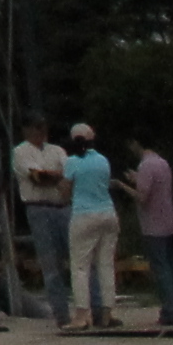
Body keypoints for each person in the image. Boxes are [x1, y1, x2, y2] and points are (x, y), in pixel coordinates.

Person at [11, 118, 73, 325]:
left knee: (78, 260)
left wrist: (53, 176)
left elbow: (70, 175)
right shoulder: (21, 152)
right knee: (51, 264)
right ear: (27, 129)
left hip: (62, 208)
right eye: (37, 127)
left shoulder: (56, 150)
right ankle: (61, 314)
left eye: (43, 126)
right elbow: (37, 177)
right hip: (39, 208)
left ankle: (90, 310)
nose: (41, 131)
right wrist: (57, 177)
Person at [61, 123, 121, 330]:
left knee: (80, 267)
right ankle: (108, 312)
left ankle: (81, 314)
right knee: (105, 264)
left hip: (84, 215)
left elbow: (65, 192)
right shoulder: (103, 160)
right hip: (108, 213)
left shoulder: (72, 162)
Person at [131, 137, 173, 329]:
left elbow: (143, 197)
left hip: (153, 225)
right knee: (172, 266)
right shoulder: (163, 163)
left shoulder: (145, 165)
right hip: (168, 222)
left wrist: (124, 186)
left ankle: (170, 310)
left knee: (161, 268)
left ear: (137, 143)